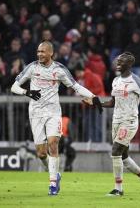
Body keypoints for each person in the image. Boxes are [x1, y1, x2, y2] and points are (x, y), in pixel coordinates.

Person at [10, 41, 102, 195]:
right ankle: (54, 174)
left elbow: (76, 86)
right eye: (38, 51)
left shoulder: (59, 70)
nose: (39, 54)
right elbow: (14, 87)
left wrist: (94, 97)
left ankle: (52, 184)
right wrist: (27, 93)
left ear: (51, 53)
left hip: (53, 112)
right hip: (36, 113)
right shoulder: (32, 67)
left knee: (53, 143)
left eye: (43, 52)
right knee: (41, 153)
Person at [84, 52, 140, 196]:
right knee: (123, 156)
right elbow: (113, 102)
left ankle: (118, 189)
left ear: (129, 64)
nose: (117, 63)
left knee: (115, 150)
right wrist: (97, 103)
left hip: (129, 121)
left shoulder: (136, 81)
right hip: (116, 121)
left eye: (121, 61)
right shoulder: (115, 80)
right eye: (117, 60)